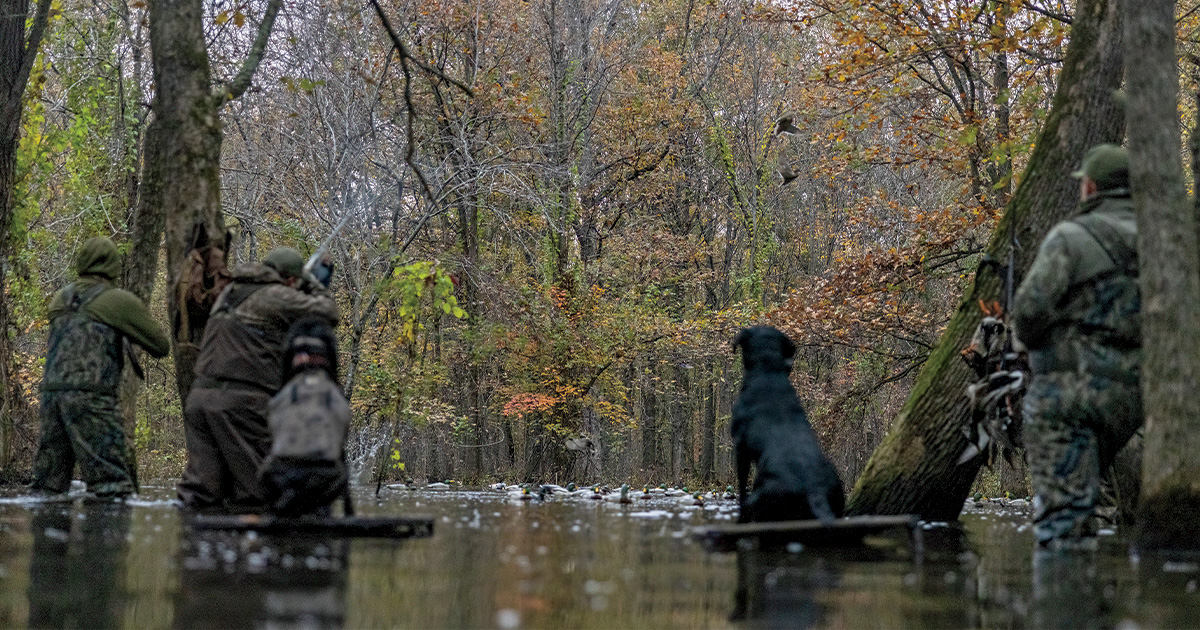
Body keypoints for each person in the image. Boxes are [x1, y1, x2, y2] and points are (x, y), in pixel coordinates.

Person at [1012, 143, 1141, 548]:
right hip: (1140, 400)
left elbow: (1029, 313)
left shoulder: (1070, 238)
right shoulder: (1171, 241)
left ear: (1090, 188)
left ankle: (1066, 591)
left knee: (1064, 523)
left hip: (1071, 396)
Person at [177, 247, 338, 512]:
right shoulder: (275, 295)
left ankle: (193, 546)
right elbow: (328, 313)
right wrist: (311, 282)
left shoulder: (230, 292)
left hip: (200, 400)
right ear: (289, 280)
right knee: (259, 491)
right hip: (241, 405)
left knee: (201, 493)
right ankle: (258, 551)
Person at [30, 236, 170, 497]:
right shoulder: (117, 300)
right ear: (113, 265)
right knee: (112, 488)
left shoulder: (61, 298)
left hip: (51, 397)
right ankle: (106, 538)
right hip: (91, 398)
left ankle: (46, 536)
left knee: (47, 488)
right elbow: (160, 346)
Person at [259, 318, 352, 517]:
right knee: (335, 471)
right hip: (325, 478)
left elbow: (272, 432)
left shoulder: (282, 396)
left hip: (280, 477)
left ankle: (280, 509)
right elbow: (341, 434)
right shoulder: (334, 396)